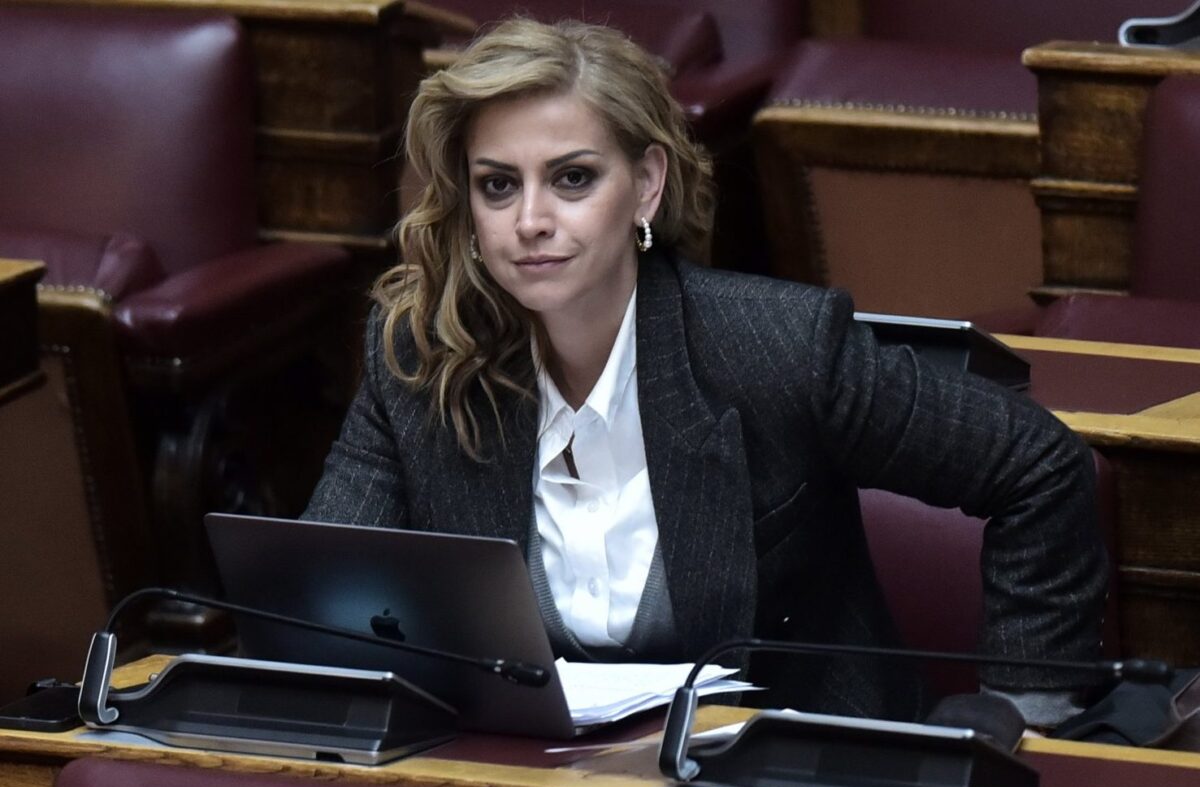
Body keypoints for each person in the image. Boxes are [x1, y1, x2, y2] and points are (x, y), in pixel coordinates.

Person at [303, 17, 1107, 726]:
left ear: (646, 186)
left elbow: (1039, 467)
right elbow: (316, 596)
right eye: (498, 186)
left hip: (784, 770)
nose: (531, 221)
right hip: (531, 771)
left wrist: (1025, 720)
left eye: (573, 178)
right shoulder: (421, 358)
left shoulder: (777, 348)